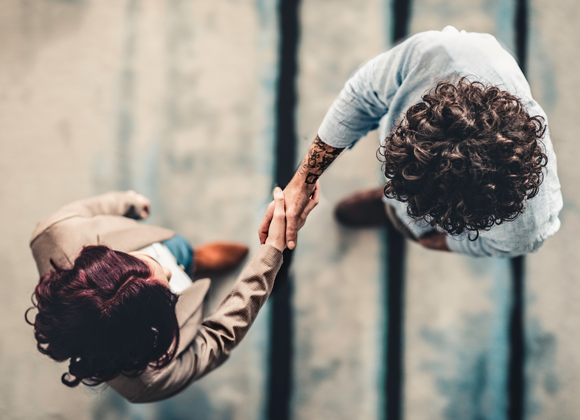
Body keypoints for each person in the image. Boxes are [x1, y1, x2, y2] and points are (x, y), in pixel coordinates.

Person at [259, 26, 562, 258]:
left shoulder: (526, 230)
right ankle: (391, 207)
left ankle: (392, 212)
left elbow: (491, 245)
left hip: (448, 219)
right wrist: (301, 182)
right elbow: (362, 96)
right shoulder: (440, 54)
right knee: (404, 206)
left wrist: (434, 240)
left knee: (409, 222)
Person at [27, 188, 318, 403]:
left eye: (143, 263)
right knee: (181, 263)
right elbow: (218, 337)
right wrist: (271, 254)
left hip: (156, 248)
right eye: (167, 292)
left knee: (180, 252)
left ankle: (195, 259)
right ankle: (193, 262)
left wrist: (128, 202)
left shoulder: (53, 233)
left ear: (108, 257)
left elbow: (87, 209)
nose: (168, 272)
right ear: (145, 335)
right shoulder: (150, 381)